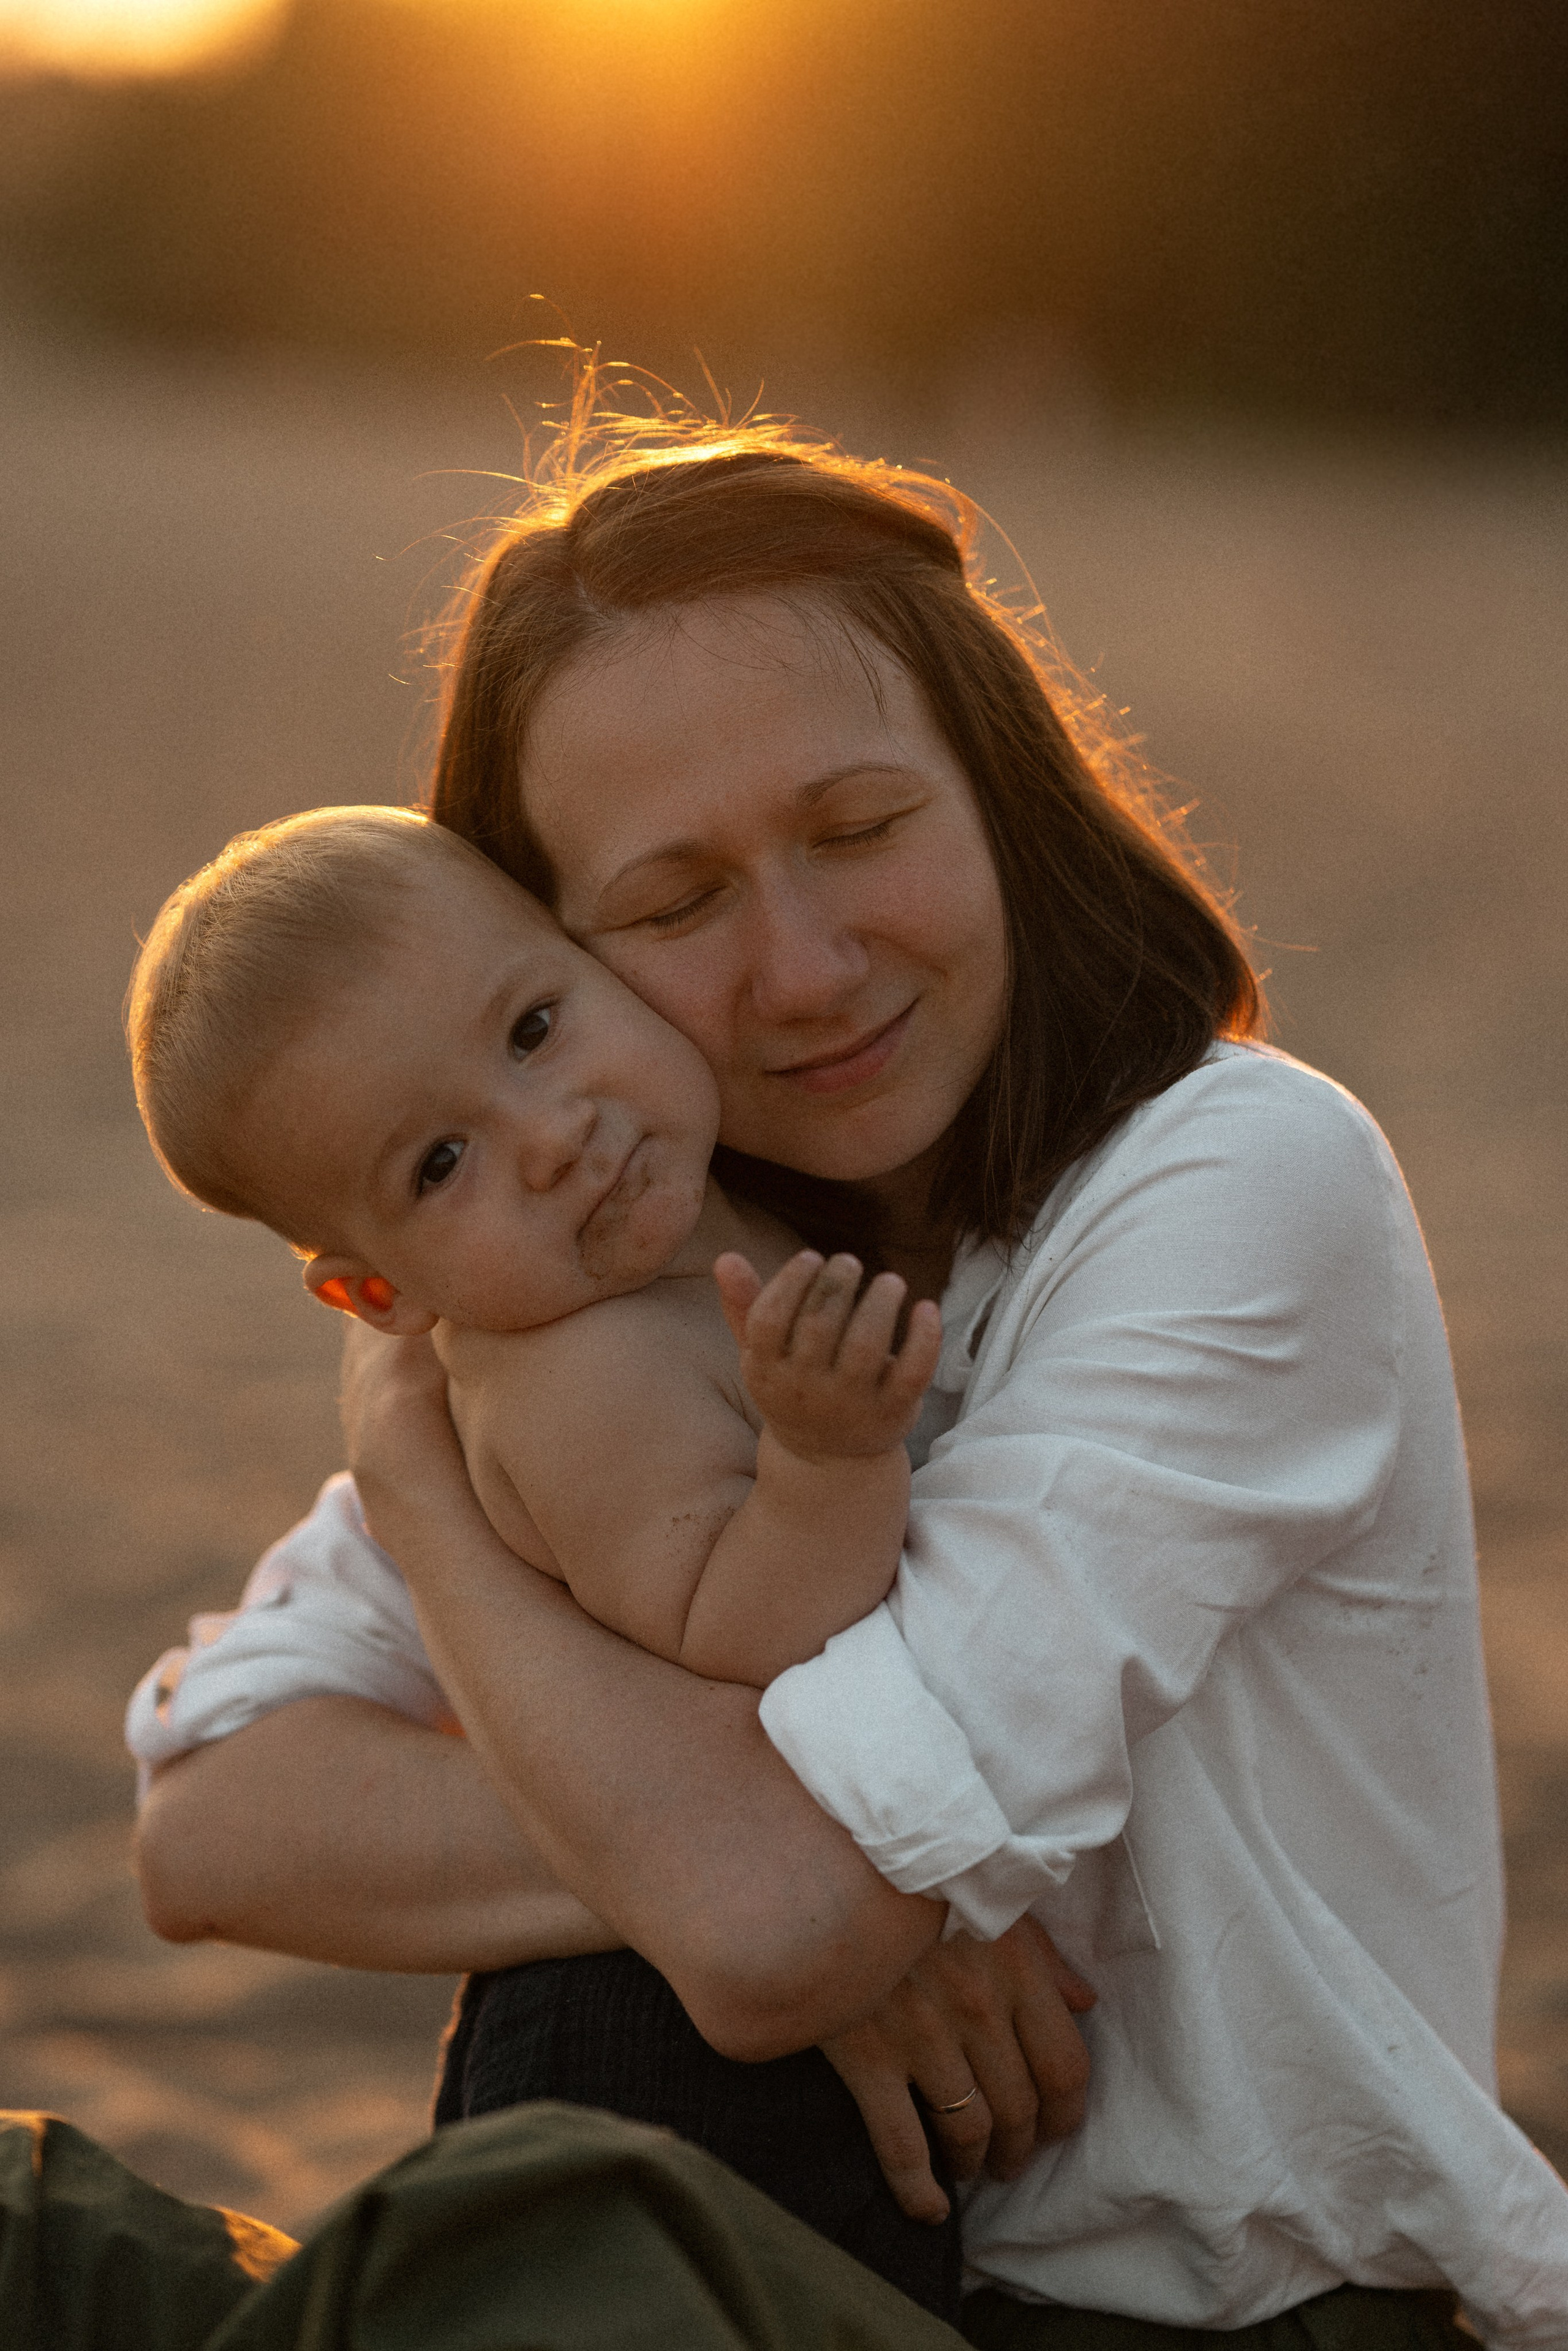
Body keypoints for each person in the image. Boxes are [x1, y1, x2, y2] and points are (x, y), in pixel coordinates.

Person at [128, 420, 1568, 2344]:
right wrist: (689, 1862)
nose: (803, 968)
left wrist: (418, 1486)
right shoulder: (630, 1288)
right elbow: (209, 1823)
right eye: (674, 899)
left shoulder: (1230, 1179)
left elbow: (778, 1924)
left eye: (862, 826)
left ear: (997, 791)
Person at [124, 801, 965, 2312]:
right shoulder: (582, 1382)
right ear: (375, 1291)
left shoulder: (711, 1237)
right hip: (684, 2080)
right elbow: (740, 1630)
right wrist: (831, 1462)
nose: (552, 1133)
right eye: (442, 1159)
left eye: (532, 1026)